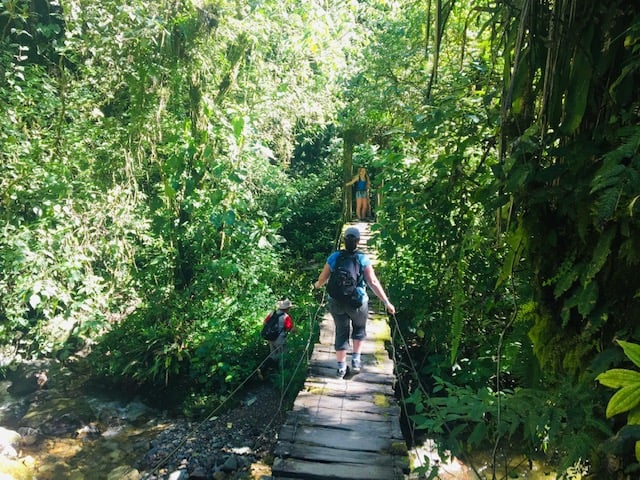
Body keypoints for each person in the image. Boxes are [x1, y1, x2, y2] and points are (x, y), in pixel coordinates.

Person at [314, 226, 395, 378]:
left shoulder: (334, 257)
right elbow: (373, 282)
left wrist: (316, 286)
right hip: (358, 302)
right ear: (358, 241)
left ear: (344, 241)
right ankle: (356, 361)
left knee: (341, 332)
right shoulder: (363, 259)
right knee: (359, 329)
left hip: (336, 301)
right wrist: (386, 302)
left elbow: (322, 279)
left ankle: (341, 368)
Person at [263, 298, 294, 368]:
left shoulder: (272, 313)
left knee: (273, 354)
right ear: (287, 308)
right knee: (283, 354)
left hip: (270, 337)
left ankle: (268, 369)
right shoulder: (286, 317)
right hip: (280, 339)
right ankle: (278, 370)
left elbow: (264, 323)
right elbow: (290, 329)